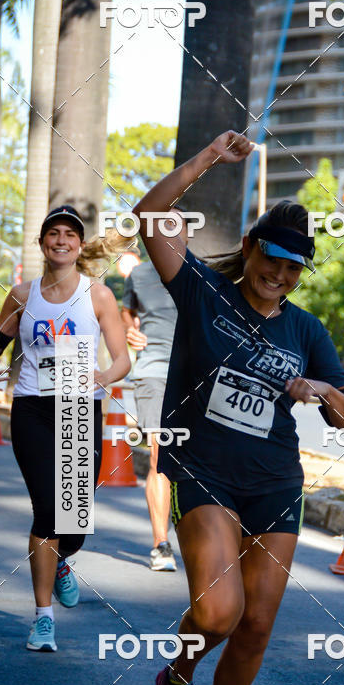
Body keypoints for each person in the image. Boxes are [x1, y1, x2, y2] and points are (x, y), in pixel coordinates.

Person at [133, 131, 344, 685]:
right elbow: (150, 218)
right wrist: (209, 159)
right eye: (273, 258)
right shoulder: (203, 292)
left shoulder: (306, 330)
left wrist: (323, 392)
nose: (281, 275)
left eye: (295, 267)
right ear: (249, 249)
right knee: (218, 611)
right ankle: (177, 675)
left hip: (274, 481)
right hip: (202, 467)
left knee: (257, 624)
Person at [0, 205, 131, 652]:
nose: (61, 240)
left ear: (79, 246)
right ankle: (42, 619)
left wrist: (103, 377)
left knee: (73, 521)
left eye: (69, 235)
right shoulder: (22, 295)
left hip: (80, 408)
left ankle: (61, 561)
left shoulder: (98, 296)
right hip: (33, 409)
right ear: (42, 244)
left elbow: (122, 358)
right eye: (53, 234)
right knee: (47, 509)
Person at [120, 211, 189, 572]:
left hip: (197, 380)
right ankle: (161, 544)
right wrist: (131, 332)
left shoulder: (200, 276)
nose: (171, 236)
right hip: (154, 374)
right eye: (163, 229)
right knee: (163, 456)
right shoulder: (141, 274)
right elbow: (126, 312)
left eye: (178, 230)